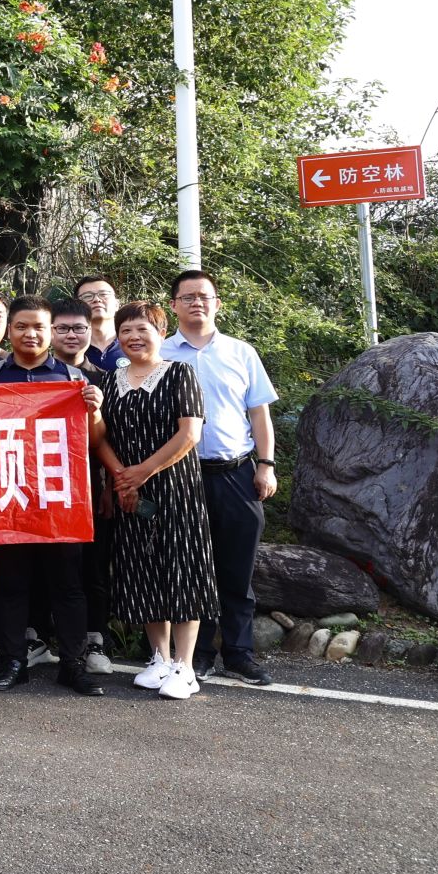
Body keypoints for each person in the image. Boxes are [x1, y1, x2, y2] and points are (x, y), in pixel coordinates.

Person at [0, 296, 107, 696]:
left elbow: (95, 443)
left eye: (38, 327)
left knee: (68, 585)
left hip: (60, 497)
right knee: (10, 584)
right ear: (9, 331)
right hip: (8, 494)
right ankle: (13, 661)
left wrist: (94, 411)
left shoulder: (74, 378)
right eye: (21, 326)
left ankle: (72, 664)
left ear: (50, 331)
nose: (30, 334)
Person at [94, 301, 219, 701]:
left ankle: (185, 665)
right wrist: (122, 477)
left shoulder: (180, 373)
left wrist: (142, 472)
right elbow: (100, 437)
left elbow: (189, 434)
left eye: (142, 329)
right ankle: (160, 658)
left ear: (161, 334)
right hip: (128, 489)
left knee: (183, 569)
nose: (134, 337)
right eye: (126, 330)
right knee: (141, 569)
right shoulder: (108, 381)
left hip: (175, 488)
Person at [161, 270, 278, 686]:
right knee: (193, 566)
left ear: (217, 304)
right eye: (188, 296)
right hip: (181, 477)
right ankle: (199, 654)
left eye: (204, 296)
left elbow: (259, 414)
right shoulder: (160, 352)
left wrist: (266, 464)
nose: (197, 302)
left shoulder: (241, 352)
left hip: (236, 472)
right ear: (173, 305)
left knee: (238, 569)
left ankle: (240, 653)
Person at [52, 298, 118, 675]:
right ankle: (41, 638)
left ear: (90, 331)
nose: (71, 335)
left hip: (91, 483)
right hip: (46, 486)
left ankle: (96, 639)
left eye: (79, 328)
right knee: (51, 566)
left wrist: (108, 486)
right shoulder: (36, 375)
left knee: (93, 566)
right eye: (62, 328)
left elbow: (112, 439)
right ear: (51, 332)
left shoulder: (105, 378)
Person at [75, 274, 127, 372]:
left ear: (117, 304)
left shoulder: (133, 343)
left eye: (104, 294)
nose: (96, 299)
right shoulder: (72, 348)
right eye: (87, 296)